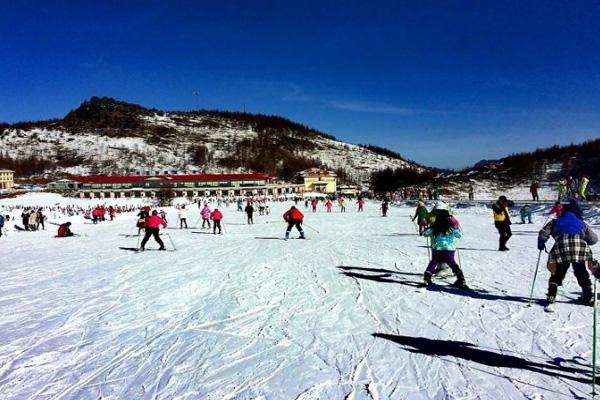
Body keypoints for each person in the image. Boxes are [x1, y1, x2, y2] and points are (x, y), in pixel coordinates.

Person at [538, 204, 598, 306]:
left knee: (558, 272)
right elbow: (594, 239)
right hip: (579, 248)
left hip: (562, 247)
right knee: (581, 272)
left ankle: (551, 295)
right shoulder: (581, 223)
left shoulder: (555, 221)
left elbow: (543, 233)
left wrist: (541, 244)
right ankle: (588, 296)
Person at [423, 209, 467, 288]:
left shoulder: (434, 226)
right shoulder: (451, 227)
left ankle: (427, 277)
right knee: (452, 263)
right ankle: (461, 278)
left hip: (437, 248)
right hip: (449, 248)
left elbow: (425, 234)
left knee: (434, 262)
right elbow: (459, 235)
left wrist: (427, 228)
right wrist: (456, 227)